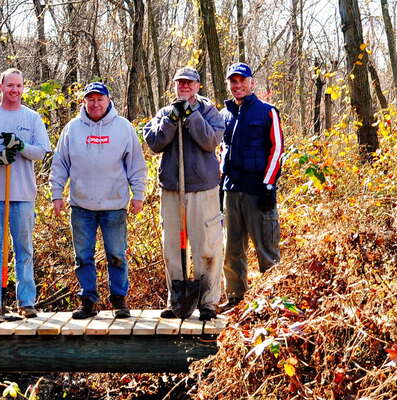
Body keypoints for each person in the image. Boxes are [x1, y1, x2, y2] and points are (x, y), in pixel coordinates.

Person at [50, 82, 147, 319]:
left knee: (117, 255)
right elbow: (60, 163)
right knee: (83, 257)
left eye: (99, 99)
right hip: (81, 206)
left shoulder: (123, 127)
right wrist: (56, 194)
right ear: (84, 101)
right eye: (90, 99)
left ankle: (119, 301)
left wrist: (139, 195)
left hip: (114, 205)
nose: (95, 104)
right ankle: (88, 301)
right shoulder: (72, 129)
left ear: (108, 100)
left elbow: (136, 164)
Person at [143, 67, 225, 321]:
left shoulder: (209, 111)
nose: (185, 87)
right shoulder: (165, 112)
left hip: (203, 190)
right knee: (172, 248)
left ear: (198, 86)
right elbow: (155, 143)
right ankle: (177, 300)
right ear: (175, 86)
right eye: (180, 83)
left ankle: (208, 302)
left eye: (189, 83)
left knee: (206, 247)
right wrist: (172, 119)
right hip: (172, 190)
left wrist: (191, 116)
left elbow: (210, 141)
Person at [0, 68, 51, 319]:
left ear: (23, 88)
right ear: (1, 87)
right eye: (10, 85)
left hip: (23, 194)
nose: (14, 90)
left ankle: (26, 303)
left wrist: (20, 145)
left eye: (18, 85)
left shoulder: (32, 118)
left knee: (24, 250)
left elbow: (41, 151)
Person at [220, 62, 284, 308]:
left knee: (266, 250)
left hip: (258, 192)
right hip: (231, 191)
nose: (237, 86)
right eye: (233, 82)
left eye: (242, 81)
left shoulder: (267, 112)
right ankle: (235, 299)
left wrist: (268, 186)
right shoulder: (225, 114)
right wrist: (221, 185)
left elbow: (277, 149)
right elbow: (223, 150)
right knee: (232, 250)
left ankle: (274, 303)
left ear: (251, 83)